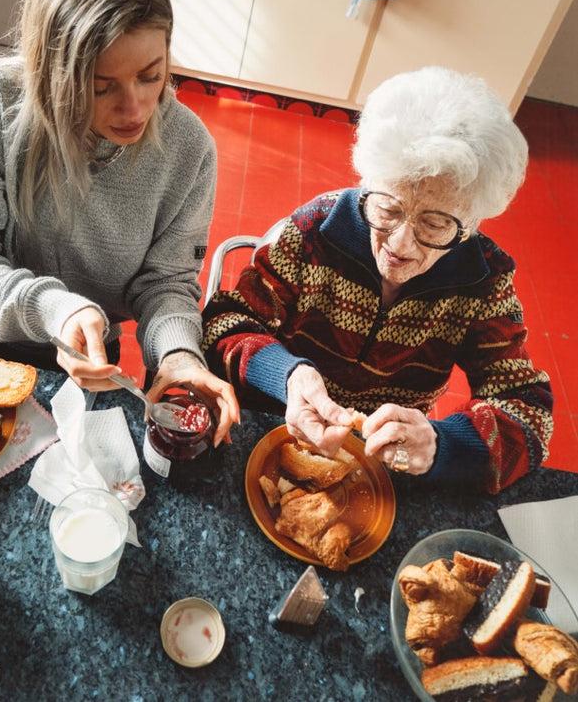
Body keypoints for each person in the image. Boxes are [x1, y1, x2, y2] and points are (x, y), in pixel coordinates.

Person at [0, 0, 239, 444]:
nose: (134, 108)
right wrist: (56, 309)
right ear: (52, 71)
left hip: (85, 353)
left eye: (151, 76)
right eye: (100, 86)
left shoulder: (188, 149)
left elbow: (166, 283)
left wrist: (178, 354)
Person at [202, 67, 552, 491]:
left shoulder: (483, 280)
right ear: (368, 183)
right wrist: (286, 376)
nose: (400, 244)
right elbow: (224, 324)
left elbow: (528, 413)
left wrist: (442, 446)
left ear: (470, 224)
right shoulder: (315, 231)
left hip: (383, 462)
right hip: (271, 424)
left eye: (435, 224)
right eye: (388, 209)